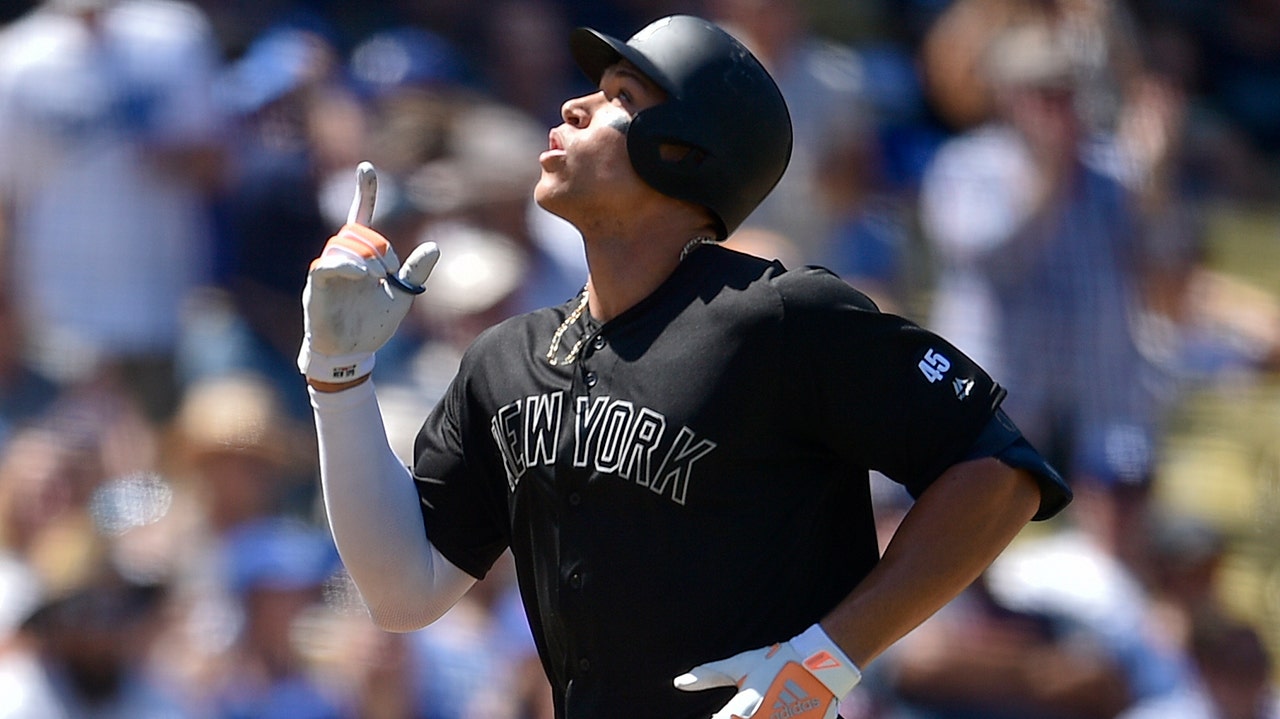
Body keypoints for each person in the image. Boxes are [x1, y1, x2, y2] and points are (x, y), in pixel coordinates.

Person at [298, 15, 1071, 719]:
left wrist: (829, 657)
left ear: (685, 150)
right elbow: (403, 591)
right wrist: (338, 373)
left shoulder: (775, 317)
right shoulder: (505, 358)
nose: (574, 108)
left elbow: (997, 470)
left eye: (619, 97)